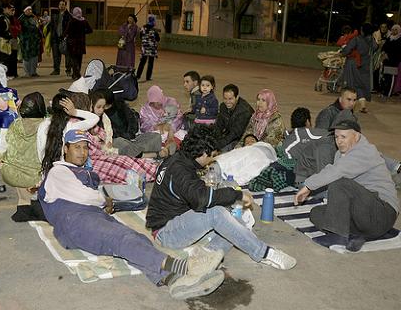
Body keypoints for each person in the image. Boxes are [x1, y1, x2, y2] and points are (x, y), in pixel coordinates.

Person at [38, 128, 225, 300]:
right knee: (121, 239)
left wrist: (103, 203)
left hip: (91, 217)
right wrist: (104, 200)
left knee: (134, 240)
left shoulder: (79, 171)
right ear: (65, 148)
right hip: (74, 221)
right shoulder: (58, 171)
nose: (82, 152)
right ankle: (186, 267)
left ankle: (174, 281)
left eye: (85, 147)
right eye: (76, 147)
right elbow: (84, 195)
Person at [146, 125, 296, 270]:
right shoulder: (181, 171)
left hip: (178, 220)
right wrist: (237, 194)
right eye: (211, 156)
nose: (211, 161)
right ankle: (264, 253)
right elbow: (202, 199)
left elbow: (192, 194)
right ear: (203, 153)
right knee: (217, 213)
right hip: (165, 232)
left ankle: (207, 255)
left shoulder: (179, 159)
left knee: (235, 222)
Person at [294, 119, 399, 252]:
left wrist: (308, 186)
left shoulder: (364, 151)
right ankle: (356, 236)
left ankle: (338, 237)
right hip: (363, 216)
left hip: (382, 213)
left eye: (344, 136)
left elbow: (336, 172)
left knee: (340, 182)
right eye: (337, 137)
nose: (339, 140)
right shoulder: (341, 154)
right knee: (316, 213)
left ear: (356, 136)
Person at [1, 92, 47, 205]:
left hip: (9, 174)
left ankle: (24, 197)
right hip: (35, 178)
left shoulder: (15, 124)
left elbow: (6, 146)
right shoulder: (46, 125)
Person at [340, 23, 377, 113]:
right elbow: (375, 48)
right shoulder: (372, 40)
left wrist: (343, 51)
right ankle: (363, 105)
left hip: (354, 64)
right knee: (361, 85)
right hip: (366, 65)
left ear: (362, 30)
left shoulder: (357, 39)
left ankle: (349, 106)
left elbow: (347, 50)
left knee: (352, 85)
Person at [214, 84, 254, 152]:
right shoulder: (223, 106)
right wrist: (214, 139)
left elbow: (235, 133)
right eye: (225, 98)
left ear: (237, 97)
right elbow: (218, 125)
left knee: (222, 151)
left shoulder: (244, 111)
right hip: (229, 135)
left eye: (230, 99)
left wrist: (219, 144)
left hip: (241, 139)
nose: (227, 102)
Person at [64, 7, 92, 80]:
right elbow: (90, 30)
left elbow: (67, 31)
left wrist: (65, 36)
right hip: (81, 43)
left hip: (72, 43)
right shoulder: (84, 21)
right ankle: (76, 73)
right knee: (79, 59)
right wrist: (83, 32)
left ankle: (76, 73)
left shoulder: (72, 20)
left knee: (73, 59)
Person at [49, 0, 71, 76]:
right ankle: (56, 70)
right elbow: (51, 26)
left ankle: (68, 70)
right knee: (56, 55)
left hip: (64, 38)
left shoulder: (68, 16)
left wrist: (66, 36)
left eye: (63, 4)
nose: (61, 6)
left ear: (65, 6)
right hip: (55, 38)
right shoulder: (55, 15)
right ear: (58, 5)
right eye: (60, 4)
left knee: (67, 55)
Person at [136, 15, 160, 81]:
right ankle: (148, 77)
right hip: (152, 49)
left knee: (142, 62)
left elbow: (140, 37)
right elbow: (158, 39)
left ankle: (138, 75)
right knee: (150, 63)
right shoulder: (154, 30)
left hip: (144, 48)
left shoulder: (143, 28)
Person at [19, 6, 41, 77]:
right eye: (28, 10)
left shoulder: (33, 18)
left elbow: (37, 28)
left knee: (34, 56)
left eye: (31, 10)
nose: (30, 11)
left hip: (34, 41)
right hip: (26, 41)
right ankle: (27, 72)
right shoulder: (22, 19)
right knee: (26, 57)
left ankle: (33, 72)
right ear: (25, 11)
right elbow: (27, 27)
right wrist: (35, 27)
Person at [380, 24, 401, 96]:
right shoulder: (390, 38)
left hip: (393, 61)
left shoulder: (400, 39)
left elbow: (398, 51)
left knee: (391, 78)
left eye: (396, 29)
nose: (394, 31)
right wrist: (383, 53)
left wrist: (389, 56)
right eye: (393, 29)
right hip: (387, 61)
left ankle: (389, 93)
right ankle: (384, 91)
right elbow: (384, 47)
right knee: (386, 77)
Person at [0, 3, 14, 72]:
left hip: (6, 40)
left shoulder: (7, 17)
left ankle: (4, 74)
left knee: (6, 58)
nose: (10, 10)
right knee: (2, 58)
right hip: (1, 41)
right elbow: (0, 30)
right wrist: (8, 35)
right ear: (4, 9)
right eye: (9, 9)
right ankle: (1, 75)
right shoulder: (1, 17)